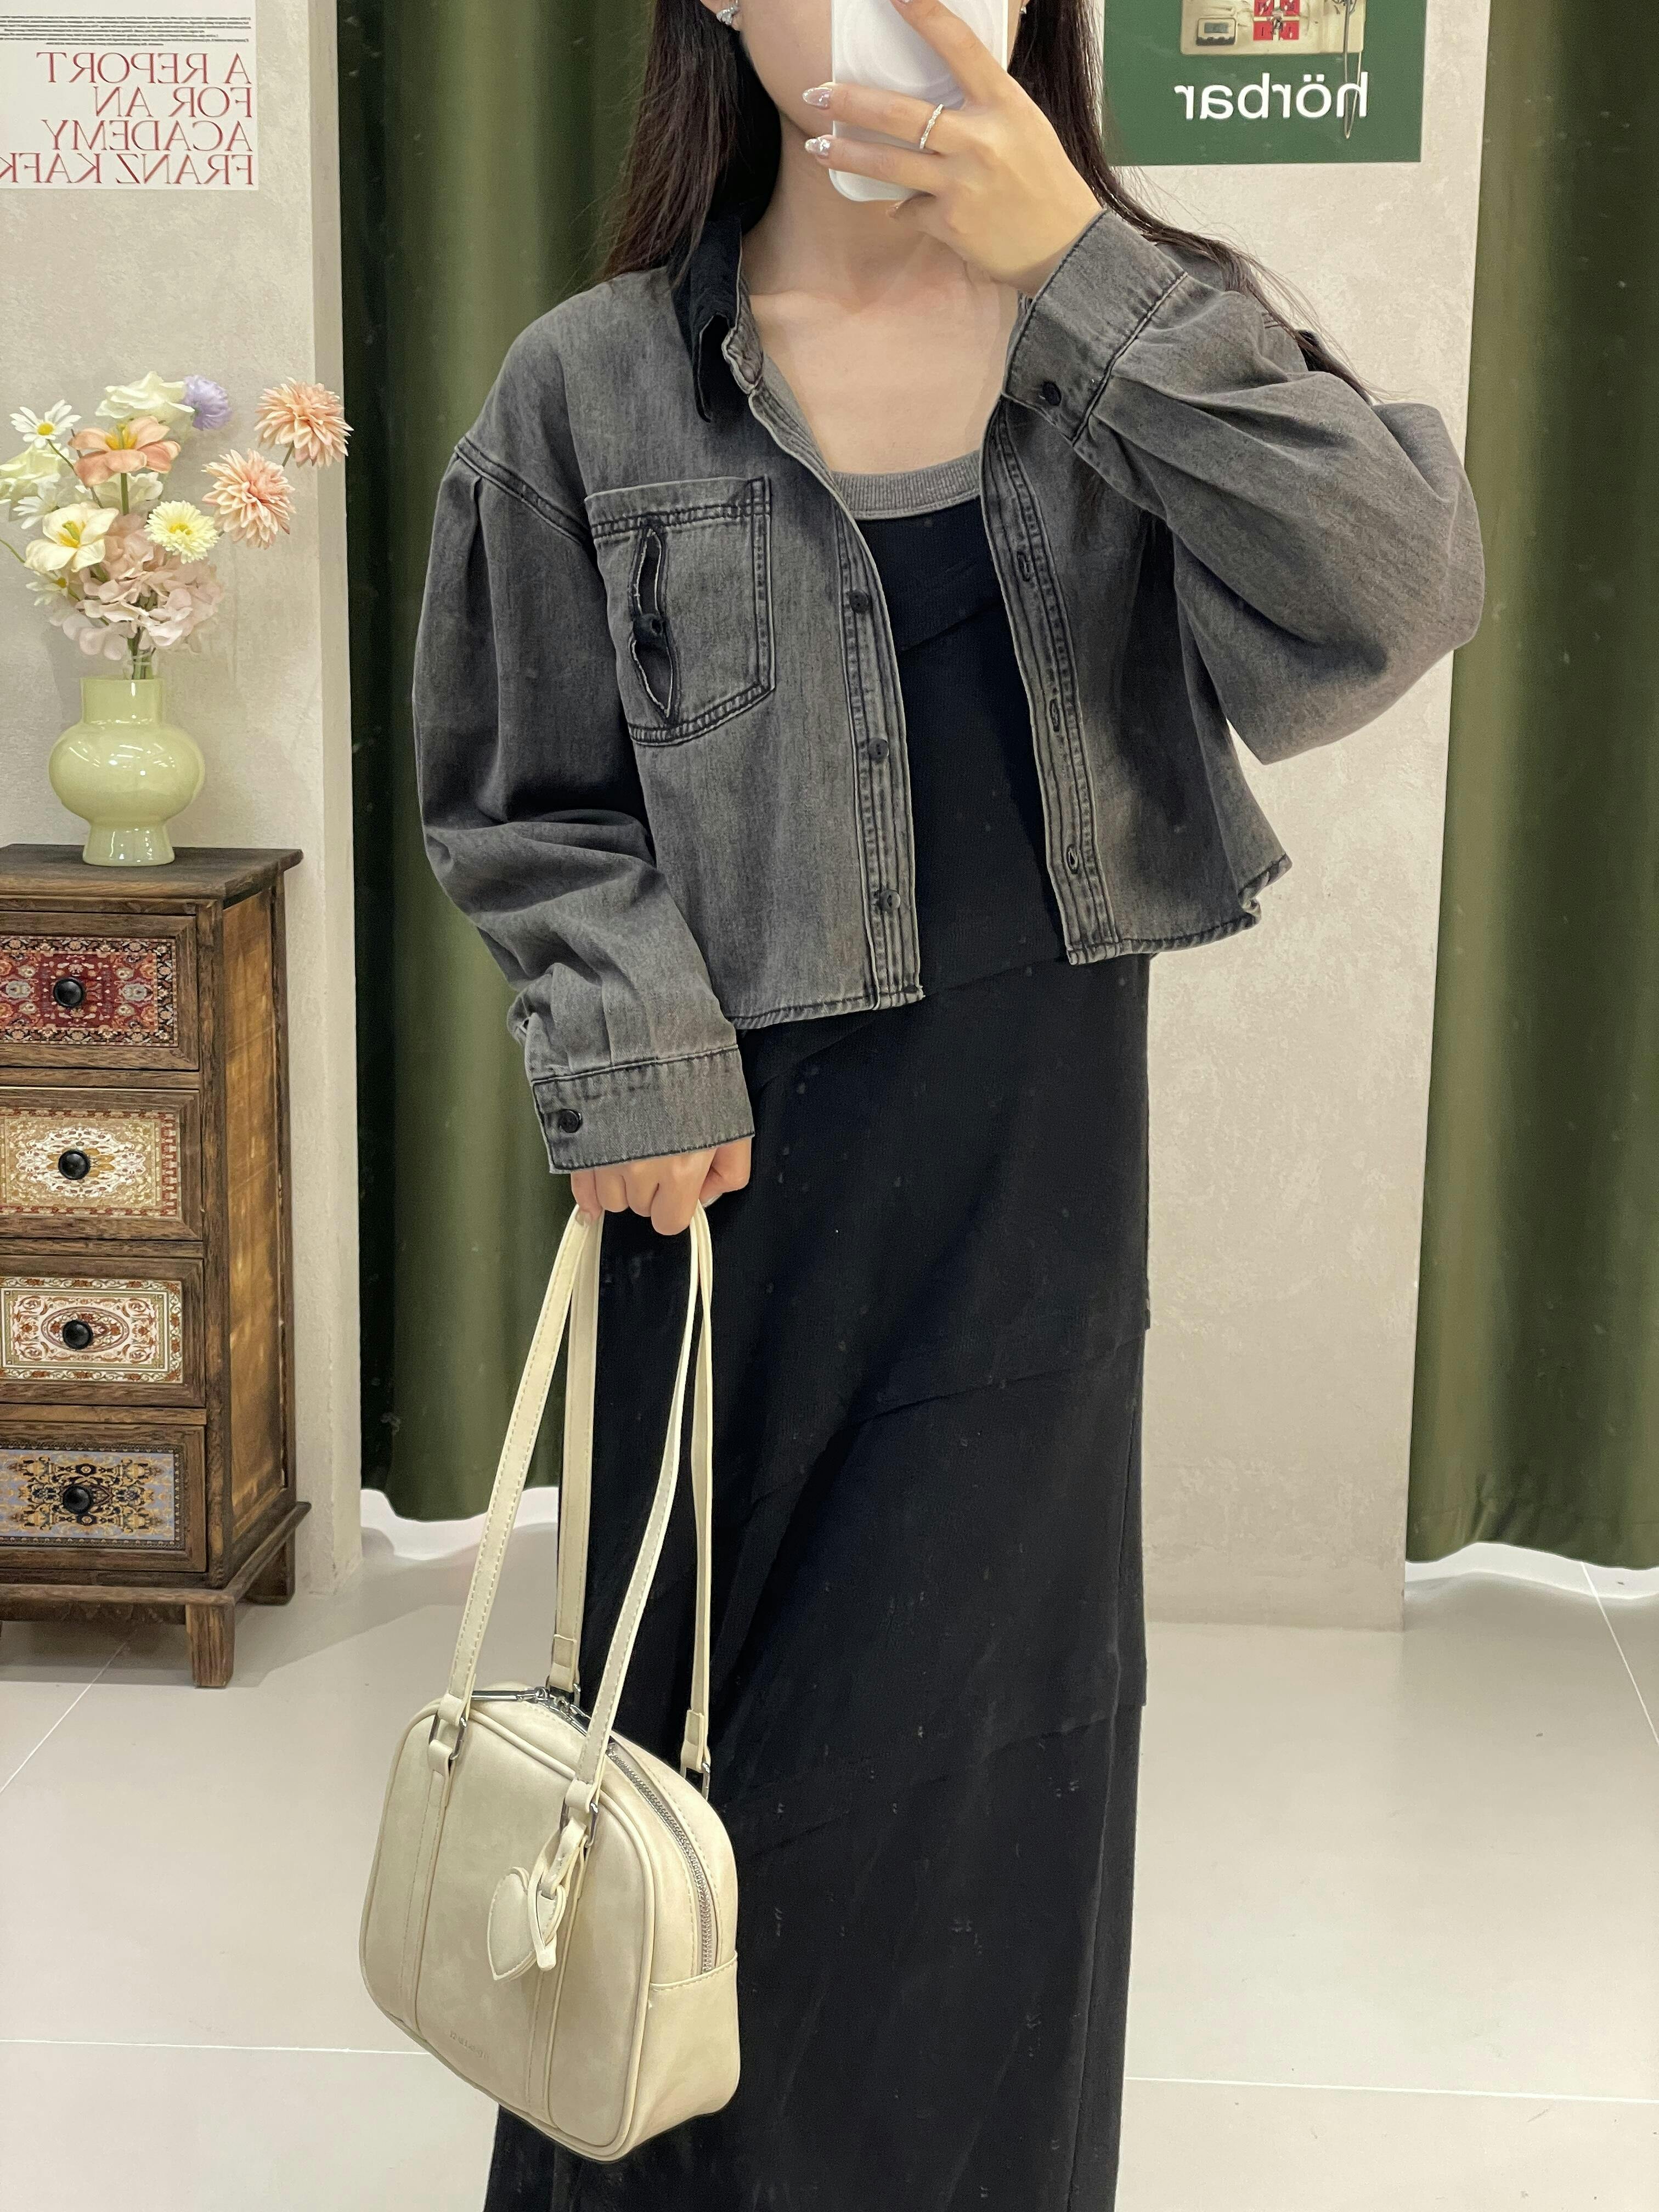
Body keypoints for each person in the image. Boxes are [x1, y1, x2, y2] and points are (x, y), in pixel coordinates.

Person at [411, 2, 1485, 2203]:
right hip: (718, 1200)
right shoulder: (592, 384)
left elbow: (1396, 593)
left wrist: (1078, 266)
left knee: (999, 1777)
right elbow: (524, 798)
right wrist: (631, 1051)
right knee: (689, 1770)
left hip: (1035, 1204)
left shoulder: (1152, 330)